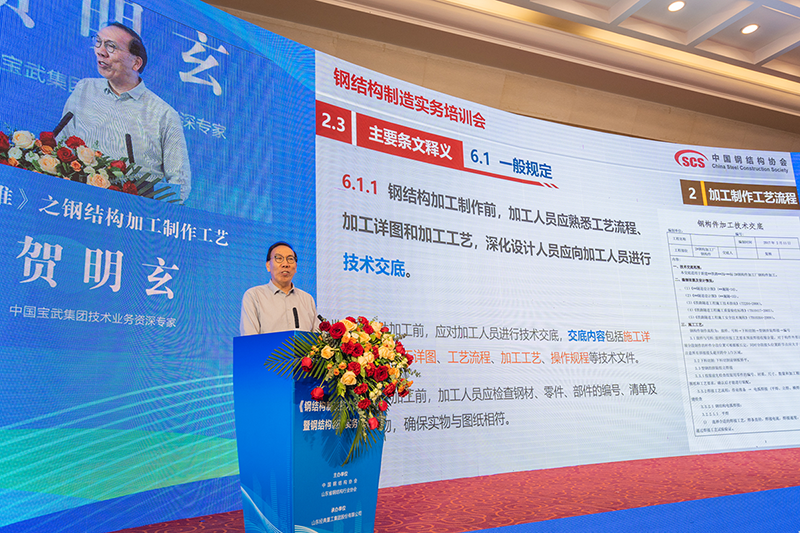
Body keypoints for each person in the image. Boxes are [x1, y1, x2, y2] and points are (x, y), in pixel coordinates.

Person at [59, 22, 191, 201]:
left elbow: (180, 186)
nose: (100, 51)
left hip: (129, 212)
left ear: (136, 63)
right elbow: (61, 144)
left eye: (111, 47)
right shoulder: (85, 88)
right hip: (76, 202)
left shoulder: (164, 114)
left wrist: (145, 209)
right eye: (98, 42)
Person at [240, 241, 320, 335]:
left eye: (290, 259)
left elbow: (317, 339)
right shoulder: (254, 296)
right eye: (279, 258)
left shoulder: (307, 299)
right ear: (268, 265)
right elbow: (249, 338)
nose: (285, 264)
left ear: (296, 267)